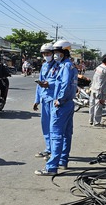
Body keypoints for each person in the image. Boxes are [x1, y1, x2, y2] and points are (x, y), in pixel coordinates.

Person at [36, 40, 77, 175]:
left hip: (62, 104)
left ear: (64, 52)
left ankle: (51, 167)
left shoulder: (65, 66)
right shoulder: (66, 65)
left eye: (57, 52)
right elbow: (57, 82)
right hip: (68, 103)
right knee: (66, 133)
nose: (54, 55)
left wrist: (59, 99)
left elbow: (64, 84)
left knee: (56, 135)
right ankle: (62, 161)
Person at [32, 43, 59, 162]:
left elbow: (61, 82)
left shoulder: (58, 66)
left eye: (48, 53)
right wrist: (37, 100)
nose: (46, 55)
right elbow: (40, 84)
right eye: (44, 54)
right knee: (45, 125)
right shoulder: (44, 66)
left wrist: (50, 84)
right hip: (44, 99)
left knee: (54, 127)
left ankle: (54, 151)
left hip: (54, 99)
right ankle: (49, 148)